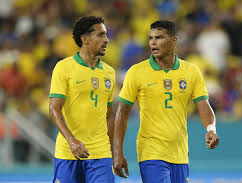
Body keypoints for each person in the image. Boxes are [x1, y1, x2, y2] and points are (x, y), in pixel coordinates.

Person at [114, 20, 219, 183]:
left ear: (174, 41)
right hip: (151, 153)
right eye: (150, 38)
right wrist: (118, 151)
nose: (153, 42)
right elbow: (122, 113)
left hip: (180, 154)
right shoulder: (136, 72)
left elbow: (204, 106)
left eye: (159, 38)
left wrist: (211, 129)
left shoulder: (191, 72)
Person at [49, 16, 115, 183]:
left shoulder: (109, 73)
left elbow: (109, 116)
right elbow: (54, 109)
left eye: (106, 35)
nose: (106, 40)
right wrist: (72, 141)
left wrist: (112, 152)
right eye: (100, 35)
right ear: (85, 39)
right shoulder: (64, 67)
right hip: (68, 153)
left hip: (101, 154)